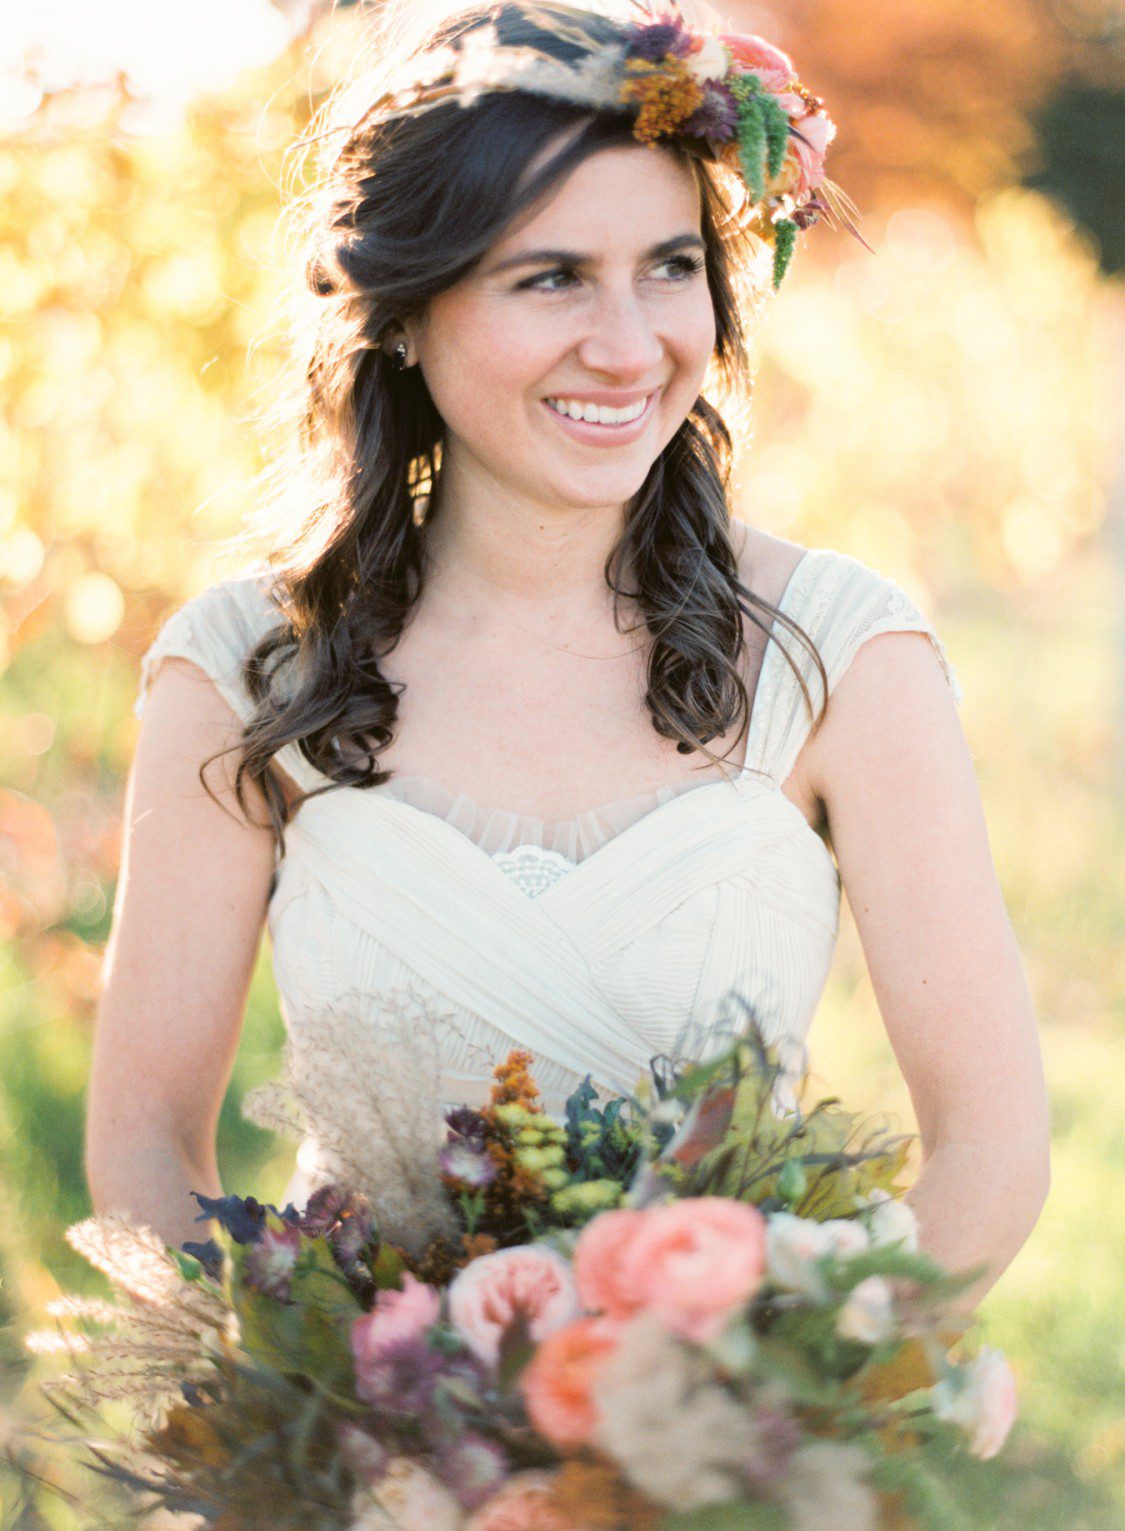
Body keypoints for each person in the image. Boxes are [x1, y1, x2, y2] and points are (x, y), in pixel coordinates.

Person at [85, 1, 1049, 1315]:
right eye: (549, 277)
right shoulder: (241, 669)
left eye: (667, 266)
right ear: (406, 313)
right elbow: (145, 1142)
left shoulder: (840, 657)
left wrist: (772, 1392)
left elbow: (989, 1151)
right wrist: (329, 1422)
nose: (627, 342)